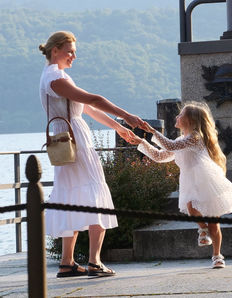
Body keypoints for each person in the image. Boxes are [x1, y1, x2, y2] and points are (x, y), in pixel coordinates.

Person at [39, 31, 145, 278]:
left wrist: (119, 127)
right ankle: (95, 262)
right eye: (70, 50)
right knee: (95, 193)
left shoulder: (55, 76)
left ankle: (67, 263)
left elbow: (86, 108)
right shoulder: (56, 78)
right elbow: (94, 100)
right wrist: (127, 116)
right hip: (75, 139)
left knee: (70, 198)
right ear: (55, 50)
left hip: (65, 139)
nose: (74, 55)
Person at [130, 101, 232, 269]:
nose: (176, 117)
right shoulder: (180, 139)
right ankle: (202, 229)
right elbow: (159, 156)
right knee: (191, 207)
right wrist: (141, 142)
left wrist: (153, 131)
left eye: (180, 115)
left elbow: (170, 145)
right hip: (189, 181)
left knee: (214, 221)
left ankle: (217, 255)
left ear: (190, 120)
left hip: (206, 180)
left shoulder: (195, 137)